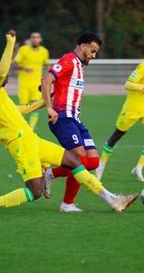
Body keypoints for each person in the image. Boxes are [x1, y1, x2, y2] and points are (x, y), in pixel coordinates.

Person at [0, 30, 138, 217]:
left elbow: (15, 110)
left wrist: (43, 103)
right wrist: (11, 43)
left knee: (74, 161)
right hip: (19, 142)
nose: (7, 78)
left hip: (31, 139)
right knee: (34, 192)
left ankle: (113, 199)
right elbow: (2, 71)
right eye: (4, 76)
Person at [40, 31, 102, 213]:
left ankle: (50, 173)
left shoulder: (79, 67)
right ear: (82, 46)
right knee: (80, 159)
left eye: (95, 52)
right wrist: (49, 108)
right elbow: (46, 80)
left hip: (76, 120)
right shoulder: (69, 59)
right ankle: (67, 204)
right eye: (92, 50)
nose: (93, 55)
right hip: (62, 118)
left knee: (93, 162)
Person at [95, 45, 144, 182]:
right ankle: (101, 165)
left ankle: (139, 167)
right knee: (116, 136)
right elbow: (128, 84)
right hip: (132, 108)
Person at [13, 31, 49, 130]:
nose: (35, 39)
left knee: (35, 107)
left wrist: (45, 74)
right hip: (24, 85)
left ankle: (31, 129)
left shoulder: (44, 51)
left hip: (36, 85)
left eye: (37, 37)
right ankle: (22, 128)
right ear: (30, 39)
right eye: (33, 37)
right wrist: (24, 68)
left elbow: (46, 65)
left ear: (40, 40)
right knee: (23, 108)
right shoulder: (23, 50)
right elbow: (14, 64)